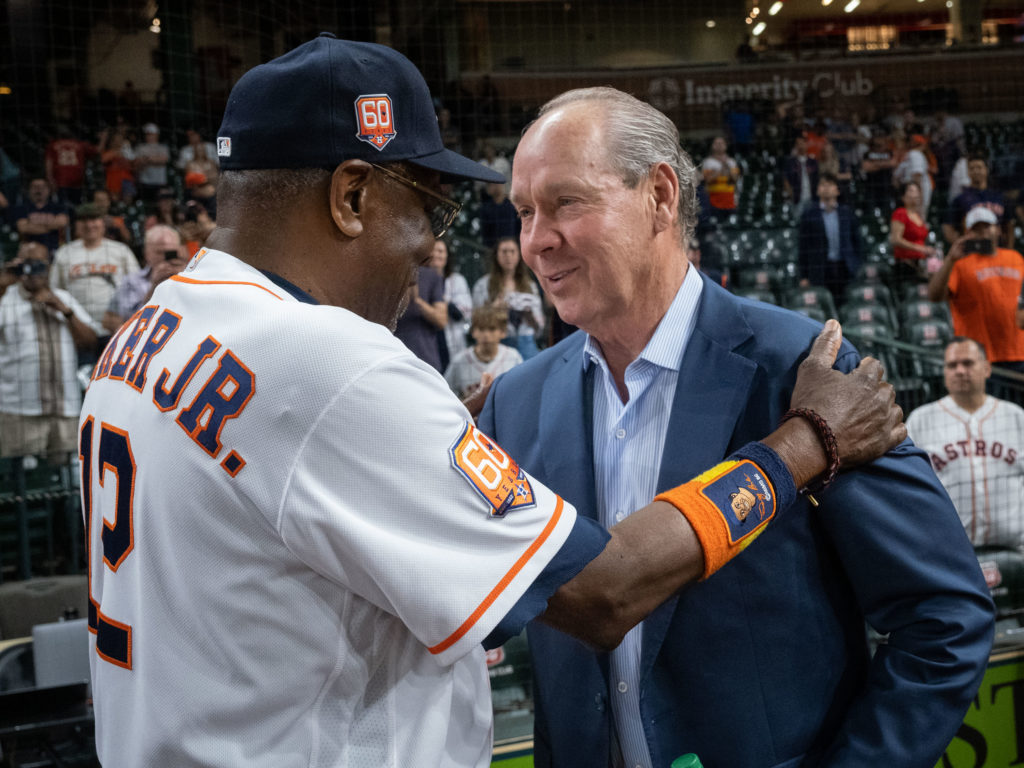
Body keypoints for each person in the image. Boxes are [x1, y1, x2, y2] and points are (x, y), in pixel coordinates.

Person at [78, 35, 905, 768]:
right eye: (427, 210)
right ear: (351, 197)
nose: (431, 248)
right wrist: (804, 444)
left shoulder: (144, 334)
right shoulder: (335, 368)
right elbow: (604, 591)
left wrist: (420, 452)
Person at [478, 86, 993, 768]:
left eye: (566, 202)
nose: (537, 240)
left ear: (661, 196)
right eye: (524, 212)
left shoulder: (804, 369)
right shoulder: (514, 403)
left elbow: (944, 616)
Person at [907, 337, 1024, 550]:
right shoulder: (921, 420)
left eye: (968, 363)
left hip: (1017, 546)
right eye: (952, 365)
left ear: (987, 368)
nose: (960, 371)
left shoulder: (1015, 416)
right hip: (949, 550)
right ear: (944, 372)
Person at [0, 243, 99, 460]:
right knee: (25, 477)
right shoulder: (6, 300)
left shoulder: (64, 298)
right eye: (27, 264)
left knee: (68, 474)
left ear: (49, 267)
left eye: (38, 264)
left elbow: (91, 343)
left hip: (65, 408)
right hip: (21, 411)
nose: (32, 270)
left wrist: (66, 312)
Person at [929, 207, 1024, 376]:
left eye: (987, 226)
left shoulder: (1016, 258)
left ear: (998, 229)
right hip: (979, 357)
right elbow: (934, 296)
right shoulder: (960, 264)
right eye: (976, 229)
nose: (983, 232)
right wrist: (950, 259)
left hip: (1018, 351)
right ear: (967, 234)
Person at [50, 202, 140, 327]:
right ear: (76, 225)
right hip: (77, 326)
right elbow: (55, 290)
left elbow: (137, 286)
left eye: (93, 219)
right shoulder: (64, 253)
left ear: (103, 223)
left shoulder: (121, 250)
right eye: (83, 220)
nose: (89, 225)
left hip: (116, 324)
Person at [102, 224, 187, 332]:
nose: (165, 257)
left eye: (170, 252)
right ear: (147, 253)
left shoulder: (192, 276)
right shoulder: (130, 282)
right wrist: (154, 287)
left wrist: (186, 277)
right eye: (159, 252)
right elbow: (126, 322)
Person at [472, 237, 544, 360]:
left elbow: (539, 328)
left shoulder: (530, 286)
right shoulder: (483, 285)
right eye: (504, 252)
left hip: (526, 342)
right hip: (497, 342)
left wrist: (529, 316)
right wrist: (494, 310)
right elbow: (475, 320)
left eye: (512, 251)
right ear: (496, 255)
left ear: (519, 255)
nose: (508, 256)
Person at [798, 172, 863, 303]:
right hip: (820, 270)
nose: (826, 188)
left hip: (845, 268)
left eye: (830, 184)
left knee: (847, 304)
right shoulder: (809, 215)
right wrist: (803, 276)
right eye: (823, 184)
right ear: (817, 190)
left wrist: (857, 266)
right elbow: (803, 247)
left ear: (837, 190)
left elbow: (858, 242)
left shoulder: (847, 213)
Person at [445, 305, 523, 399]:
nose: (486, 335)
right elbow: (445, 393)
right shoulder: (459, 361)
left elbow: (522, 390)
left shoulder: (513, 357)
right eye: (481, 329)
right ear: (473, 332)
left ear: (503, 332)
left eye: (492, 329)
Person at [942, 153, 1013, 248]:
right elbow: (947, 226)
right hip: (973, 249)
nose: (976, 171)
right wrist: (962, 245)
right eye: (971, 168)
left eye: (979, 167)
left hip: (997, 249)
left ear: (986, 170)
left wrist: (1009, 248)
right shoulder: (960, 199)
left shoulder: (999, 197)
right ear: (968, 172)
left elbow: (1009, 226)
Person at [394, 263, 447, 372]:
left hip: (427, 360)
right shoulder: (387, 274)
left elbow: (442, 321)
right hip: (396, 359)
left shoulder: (431, 275)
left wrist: (417, 300)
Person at [430, 238, 473, 362]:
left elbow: (463, 313)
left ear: (447, 256)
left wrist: (441, 300)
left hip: (453, 340)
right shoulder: (418, 280)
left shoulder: (457, 280)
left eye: (440, 251)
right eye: (432, 250)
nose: (436, 254)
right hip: (429, 341)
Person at [890, 181, 939, 288]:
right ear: (903, 196)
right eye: (911, 191)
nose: (915, 194)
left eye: (917, 191)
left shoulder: (919, 216)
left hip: (920, 264)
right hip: (906, 266)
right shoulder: (900, 213)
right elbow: (895, 239)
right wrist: (920, 248)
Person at [12, 178, 70, 255]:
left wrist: (32, 227)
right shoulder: (22, 208)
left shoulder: (58, 207)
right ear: (29, 190)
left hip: (56, 247)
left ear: (49, 190)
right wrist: (51, 227)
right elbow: (23, 228)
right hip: (30, 248)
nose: (39, 190)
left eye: (43, 187)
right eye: (35, 187)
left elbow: (62, 223)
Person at [892, 133, 933, 218]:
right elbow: (917, 174)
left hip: (907, 190)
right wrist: (918, 196)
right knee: (917, 218)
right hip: (916, 191)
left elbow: (895, 178)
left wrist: (901, 191)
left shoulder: (909, 155)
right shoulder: (916, 154)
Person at [700, 135, 740, 213]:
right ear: (712, 146)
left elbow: (735, 179)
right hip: (713, 200)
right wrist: (721, 170)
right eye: (716, 143)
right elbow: (707, 180)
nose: (719, 145)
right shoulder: (707, 162)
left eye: (722, 143)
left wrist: (727, 167)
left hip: (729, 200)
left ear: (726, 146)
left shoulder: (732, 162)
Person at [134, 123, 171, 203]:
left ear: (157, 135)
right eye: (147, 134)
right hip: (145, 182)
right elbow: (137, 162)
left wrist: (147, 159)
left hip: (160, 182)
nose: (149, 136)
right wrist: (154, 159)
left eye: (151, 134)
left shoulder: (162, 147)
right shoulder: (140, 147)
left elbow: (163, 160)